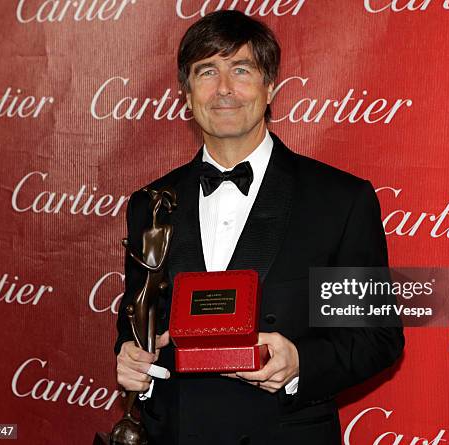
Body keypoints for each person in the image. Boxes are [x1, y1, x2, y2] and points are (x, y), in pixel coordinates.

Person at [114, 10, 404, 445]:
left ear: (270, 88)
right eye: (207, 71)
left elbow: (378, 339)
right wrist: (133, 360)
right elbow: (135, 323)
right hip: (173, 432)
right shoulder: (151, 204)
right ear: (186, 95)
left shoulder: (339, 200)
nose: (224, 89)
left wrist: (300, 361)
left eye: (241, 70)